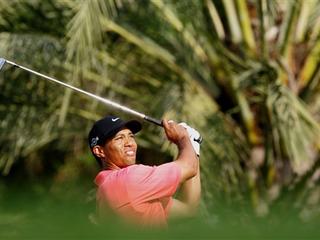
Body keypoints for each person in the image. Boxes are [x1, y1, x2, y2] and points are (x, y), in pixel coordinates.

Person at [88, 115, 201, 227]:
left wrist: (193, 146)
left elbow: (188, 209)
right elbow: (189, 166)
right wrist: (183, 138)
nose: (130, 143)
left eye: (131, 136)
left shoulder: (106, 189)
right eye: (119, 138)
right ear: (99, 151)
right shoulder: (126, 179)